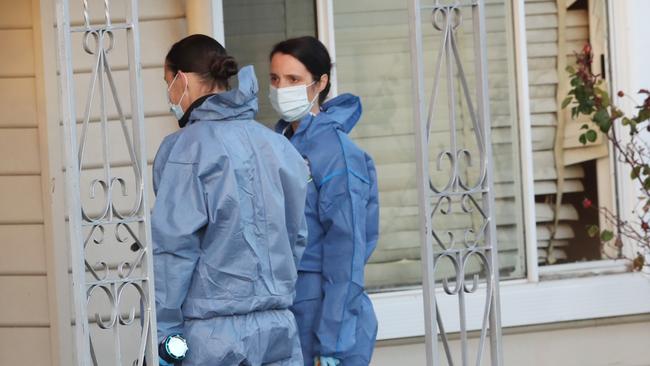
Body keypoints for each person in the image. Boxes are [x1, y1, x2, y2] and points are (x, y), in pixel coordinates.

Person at [152, 34, 309, 366]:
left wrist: (165, 332)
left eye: (168, 83)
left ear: (180, 80)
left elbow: (173, 248)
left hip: (210, 336)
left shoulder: (184, 149)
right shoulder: (279, 147)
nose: (169, 94)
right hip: (278, 327)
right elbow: (296, 236)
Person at [269, 36, 379, 366]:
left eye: (293, 79)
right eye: (275, 79)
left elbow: (347, 253)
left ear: (321, 83)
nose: (281, 88)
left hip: (324, 313)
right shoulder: (276, 146)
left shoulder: (338, 155)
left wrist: (333, 343)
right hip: (283, 311)